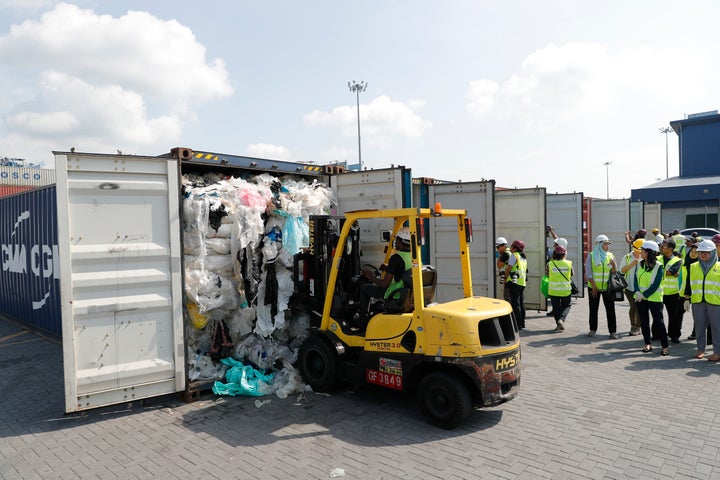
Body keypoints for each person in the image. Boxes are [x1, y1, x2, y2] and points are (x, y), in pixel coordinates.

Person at [356, 227, 413, 328]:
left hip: (396, 295)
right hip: (407, 295)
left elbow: (384, 284)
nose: (396, 242)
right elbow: (404, 270)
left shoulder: (396, 258)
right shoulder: (414, 256)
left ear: (401, 242)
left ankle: (362, 322)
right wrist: (388, 268)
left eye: (397, 240)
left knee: (365, 288)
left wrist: (371, 277)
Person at [684, 239, 720, 361]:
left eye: (706, 252)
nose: (703, 254)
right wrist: (687, 298)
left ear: (713, 252)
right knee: (699, 327)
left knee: (717, 328)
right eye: (701, 252)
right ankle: (700, 350)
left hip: (715, 303)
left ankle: (717, 352)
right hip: (698, 302)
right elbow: (689, 283)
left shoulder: (719, 267)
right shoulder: (693, 266)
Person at [634, 240, 669, 355]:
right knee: (644, 322)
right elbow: (635, 279)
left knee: (659, 322)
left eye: (643, 251)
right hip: (640, 299)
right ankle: (647, 343)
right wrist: (637, 291)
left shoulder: (659, 266)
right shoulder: (639, 264)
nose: (641, 253)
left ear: (649, 252)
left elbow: (656, 284)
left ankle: (665, 346)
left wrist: (644, 294)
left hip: (654, 298)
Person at [585, 234, 619, 338]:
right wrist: (594, 287)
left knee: (610, 310)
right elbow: (588, 273)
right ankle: (592, 329)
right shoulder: (591, 255)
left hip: (607, 288)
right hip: (594, 288)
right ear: (599, 244)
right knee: (593, 309)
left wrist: (613, 266)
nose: (607, 246)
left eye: (608, 244)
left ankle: (612, 331)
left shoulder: (610, 256)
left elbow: (614, 273)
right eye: (605, 244)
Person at [660, 238, 684, 343]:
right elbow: (670, 273)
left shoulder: (677, 260)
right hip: (659, 292)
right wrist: (671, 272)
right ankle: (656, 334)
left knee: (673, 316)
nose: (661, 247)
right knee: (657, 315)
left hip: (672, 293)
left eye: (663, 246)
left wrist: (666, 272)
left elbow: (671, 272)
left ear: (670, 248)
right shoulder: (657, 258)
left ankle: (674, 335)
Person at [619, 238, 644, 335]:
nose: (638, 253)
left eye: (640, 251)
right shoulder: (627, 257)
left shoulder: (645, 258)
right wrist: (632, 264)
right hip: (629, 287)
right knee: (633, 306)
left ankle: (638, 326)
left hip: (641, 288)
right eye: (637, 251)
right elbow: (621, 271)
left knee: (639, 307)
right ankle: (633, 325)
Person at [546, 245, 572, 332]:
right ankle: (561, 320)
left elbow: (547, 275)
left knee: (556, 307)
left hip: (553, 290)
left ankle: (558, 323)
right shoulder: (569, 264)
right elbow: (572, 274)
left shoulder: (549, 264)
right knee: (566, 305)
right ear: (564, 254)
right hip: (565, 290)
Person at [504, 240, 528, 330]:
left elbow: (509, 268)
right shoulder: (523, 257)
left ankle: (517, 324)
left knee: (515, 304)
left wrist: (505, 278)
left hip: (514, 283)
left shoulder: (514, 256)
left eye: (512, 246)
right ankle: (522, 323)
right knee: (521, 303)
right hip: (522, 282)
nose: (510, 248)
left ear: (515, 247)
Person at [495, 237, 511, 302]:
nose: (497, 249)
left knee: (508, 298)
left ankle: (511, 312)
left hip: (509, 279)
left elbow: (499, 266)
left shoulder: (505, 254)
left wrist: (499, 256)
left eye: (498, 247)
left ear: (503, 246)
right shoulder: (509, 252)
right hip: (513, 279)